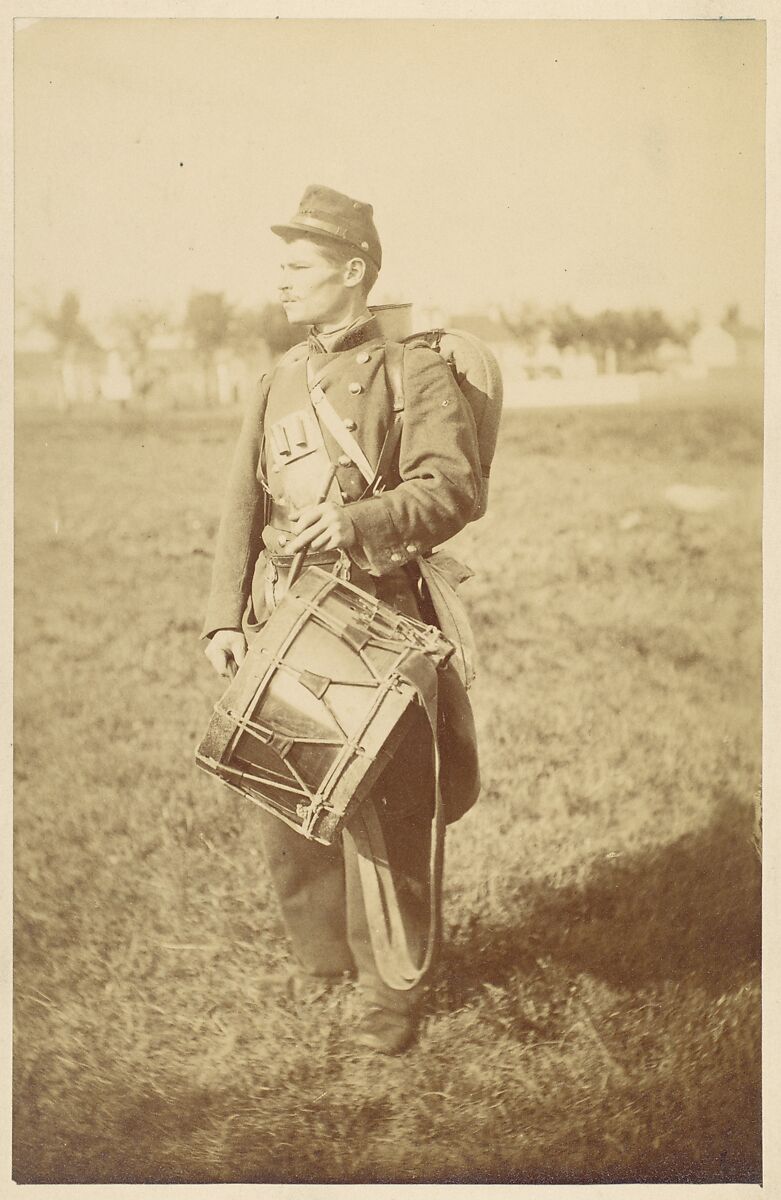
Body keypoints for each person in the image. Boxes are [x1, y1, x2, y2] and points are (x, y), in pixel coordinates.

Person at [202, 184, 481, 1053]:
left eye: (298, 267)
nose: (281, 283)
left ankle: (389, 992)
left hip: (380, 617)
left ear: (353, 271)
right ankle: (321, 959)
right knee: (288, 792)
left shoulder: (415, 370)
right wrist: (222, 619)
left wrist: (358, 522)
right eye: (281, 267)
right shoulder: (278, 378)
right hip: (285, 615)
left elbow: (453, 488)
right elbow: (237, 509)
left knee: (390, 812)